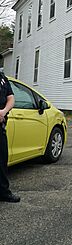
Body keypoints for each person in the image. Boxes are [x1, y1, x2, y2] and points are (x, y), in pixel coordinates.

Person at [0, 71, 20, 203]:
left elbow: (11, 98)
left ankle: (3, 193)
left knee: (2, 161)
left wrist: (3, 112)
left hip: (0, 125)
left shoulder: (2, 78)